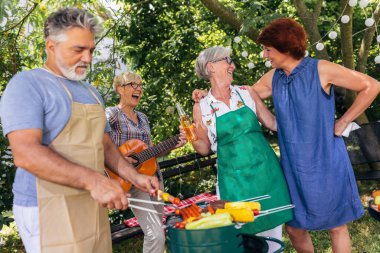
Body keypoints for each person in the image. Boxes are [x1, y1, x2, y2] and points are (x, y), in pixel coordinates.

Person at [194, 18, 380, 253]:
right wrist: (204, 96)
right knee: (294, 229)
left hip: (325, 161)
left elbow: (371, 86)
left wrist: (343, 121)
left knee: (335, 226)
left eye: (267, 49)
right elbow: (238, 98)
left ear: (284, 46)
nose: (264, 55)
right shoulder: (274, 77)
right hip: (291, 166)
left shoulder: (321, 69)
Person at [0, 7, 159, 253]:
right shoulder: (27, 84)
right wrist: (95, 181)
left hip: (92, 202)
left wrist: (134, 176)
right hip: (46, 206)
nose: (87, 58)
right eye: (78, 49)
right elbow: (26, 152)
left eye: (91, 50)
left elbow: (106, 146)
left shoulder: (91, 93)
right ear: (51, 46)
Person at [190, 46, 293, 250]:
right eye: (227, 60)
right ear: (211, 67)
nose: (233, 65)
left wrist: (302, 120)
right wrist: (191, 136)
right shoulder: (200, 107)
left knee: (274, 240)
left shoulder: (246, 93)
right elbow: (203, 148)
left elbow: (273, 123)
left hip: (266, 174)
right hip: (233, 181)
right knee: (245, 241)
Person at [105, 71, 187, 253]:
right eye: (133, 85)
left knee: (158, 231)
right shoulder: (111, 114)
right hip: (129, 182)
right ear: (119, 89)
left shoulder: (143, 118)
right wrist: (121, 161)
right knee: (155, 234)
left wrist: (175, 144)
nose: (139, 89)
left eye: (140, 85)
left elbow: (149, 152)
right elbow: (100, 143)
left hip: (153, 180)